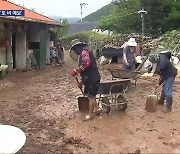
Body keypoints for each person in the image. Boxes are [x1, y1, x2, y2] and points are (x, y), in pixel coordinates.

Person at [70, 42, 101, 121]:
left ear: (77, 48)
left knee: (91, 97)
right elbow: (85, 69)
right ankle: (97, 109)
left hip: (91, 78)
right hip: (90, 78)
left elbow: (85, 64)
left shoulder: (84, 53)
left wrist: (76, 71)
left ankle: (90, 114)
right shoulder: (86, 52)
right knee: (91, 95)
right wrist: (81, 81)